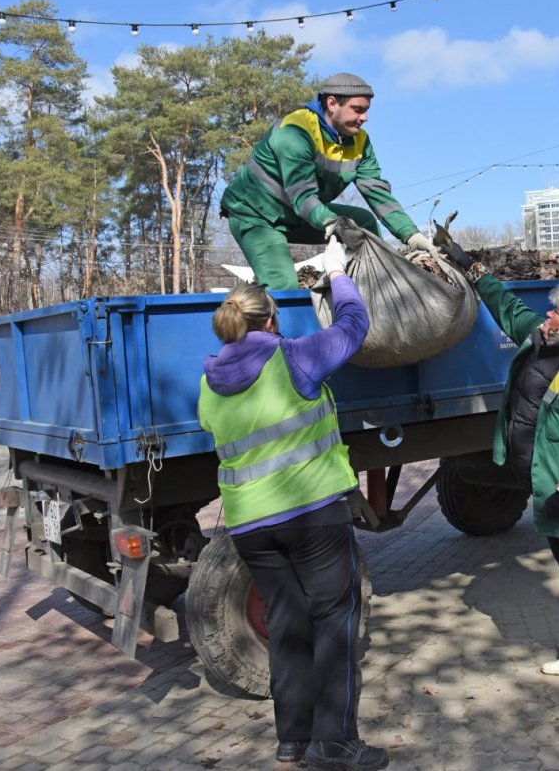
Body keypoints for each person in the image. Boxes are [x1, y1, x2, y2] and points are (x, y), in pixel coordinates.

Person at [197, 239, 389, 770]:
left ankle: (293, 739)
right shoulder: (293, 358)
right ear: (270, 319)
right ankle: (336, 744)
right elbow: (353, 328)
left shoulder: (209, 384)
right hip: (312, 516)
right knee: (334, 621)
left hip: (250, 527)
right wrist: (338, 277)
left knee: (287, 624)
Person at [438, 233, 559, 703]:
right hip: (546, 487)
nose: (547, 316)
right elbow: (505, 305)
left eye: (556, 313)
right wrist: (471, 267)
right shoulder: (540, 341)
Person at [220, 72, 437, 291]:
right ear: (332, 103)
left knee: (365, 223)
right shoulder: (295, 132)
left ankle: (382, 288)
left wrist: (411, 234)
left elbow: (377, 191)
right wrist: (335, 225)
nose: (365, 118)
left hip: (296, 214)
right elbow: (303, 198)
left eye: (366, 110)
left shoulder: (360, 141)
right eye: (358, 109)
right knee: (283, 287)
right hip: (256, 215)